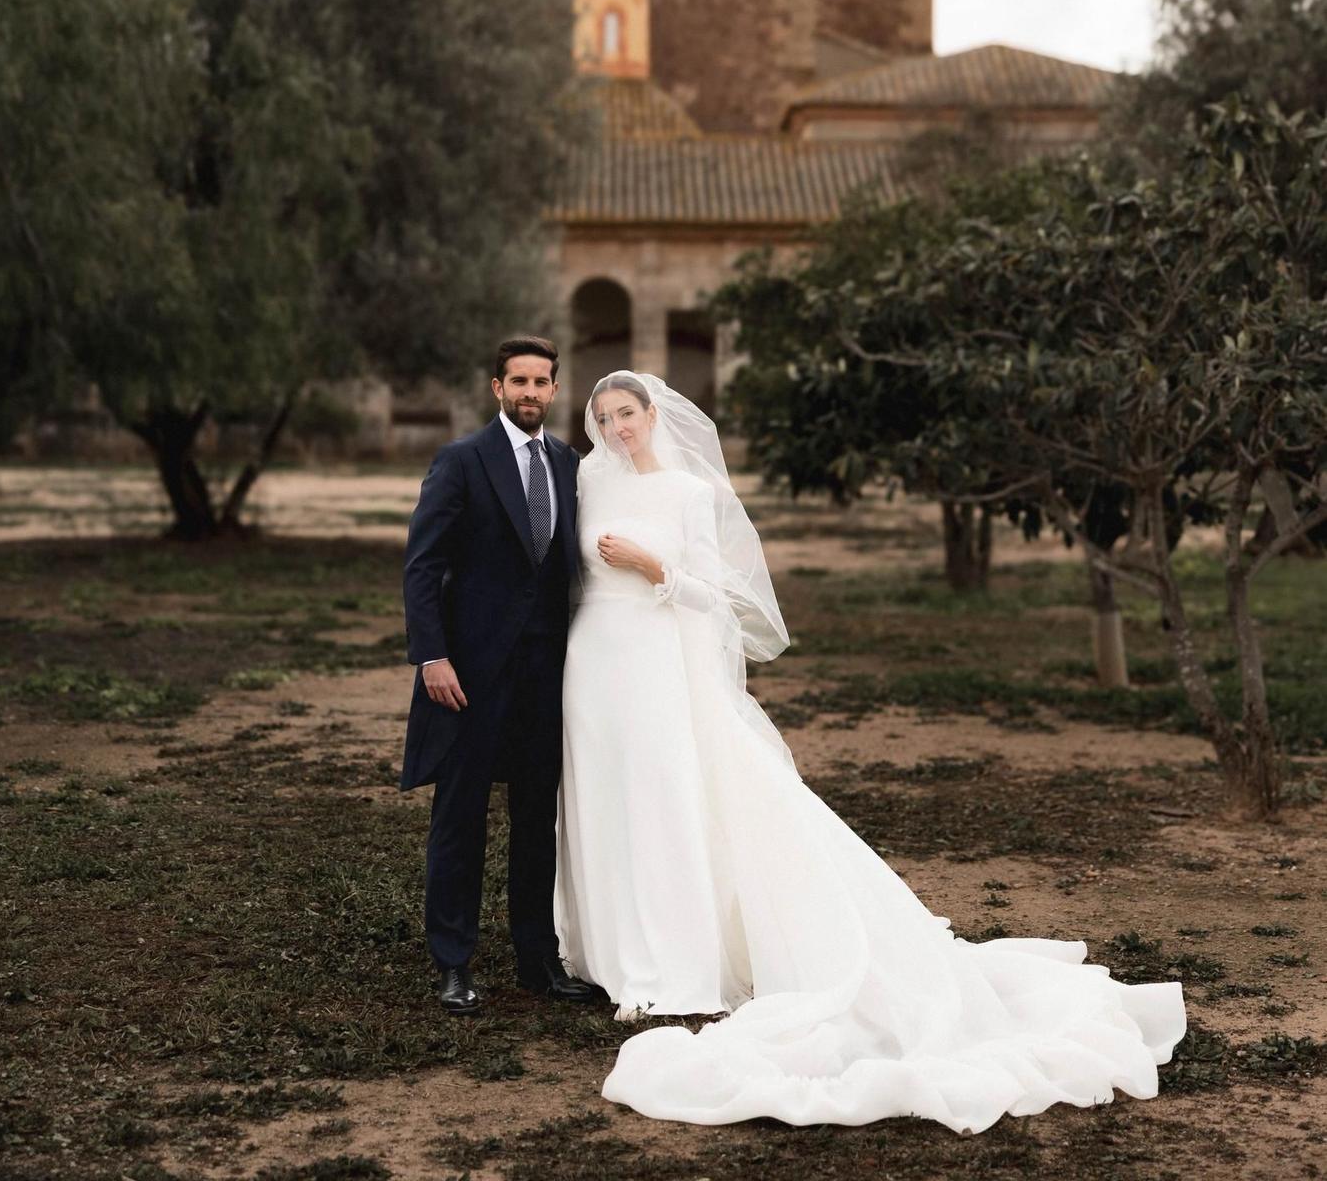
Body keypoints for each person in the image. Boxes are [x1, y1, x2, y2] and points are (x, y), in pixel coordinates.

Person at [554, 369, 1187, 1132]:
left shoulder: (690, 494)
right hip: (591, 670)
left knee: (667, 804)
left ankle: (673, 965)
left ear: (653, 414)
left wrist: (655, 570)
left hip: (658, 669)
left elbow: (725, 601)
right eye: (605, 416)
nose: (618, 427)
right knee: (604, 802)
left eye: (628, 413)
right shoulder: (587, 482)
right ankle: (607, 954)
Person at [400, 335, 593, 1014]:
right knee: (461, 820)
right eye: (520, 381)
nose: (532, 392)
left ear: (554, 388)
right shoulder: (461, 461)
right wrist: (432, 656)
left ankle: (538, 962)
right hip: (469, 675)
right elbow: (422, 567)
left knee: (537, 820)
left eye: (542, 381)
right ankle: (453, 964)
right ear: (496, 387)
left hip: (546, 674)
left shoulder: (571, 465)